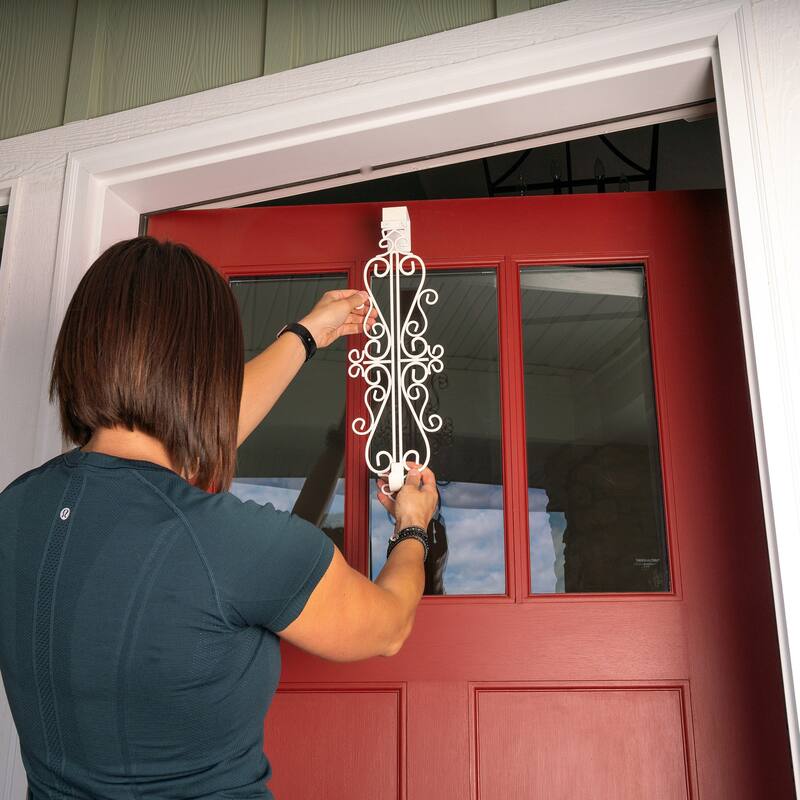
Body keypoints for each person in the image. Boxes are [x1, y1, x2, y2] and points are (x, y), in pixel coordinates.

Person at [0, 236, 439, 800]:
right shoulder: (237, 545)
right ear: (205, 371)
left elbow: (176, 454)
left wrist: (308, 335)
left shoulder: (16, 511)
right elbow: (387, 627)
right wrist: (413, 526)